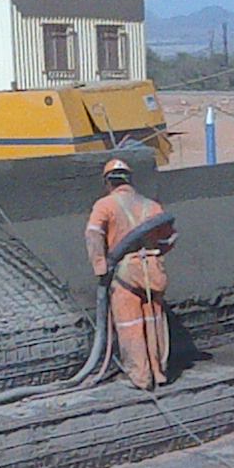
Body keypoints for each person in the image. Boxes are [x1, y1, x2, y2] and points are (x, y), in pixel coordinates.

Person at [84, 157, 177, 389]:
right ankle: (159, 372)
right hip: (152, 270)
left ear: (108, 182)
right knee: (153, 321)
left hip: (125, 270)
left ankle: (140, 377)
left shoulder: (105, 205)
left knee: (130, 323)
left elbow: (93, 234)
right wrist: (158, 252)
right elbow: (171, 236)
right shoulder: (152, 206)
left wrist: (100, 266)